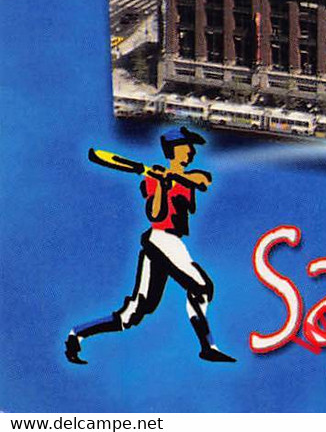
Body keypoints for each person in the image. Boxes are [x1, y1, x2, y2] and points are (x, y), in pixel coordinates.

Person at [66, 127, 235, 364]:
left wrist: (172, 177)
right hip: (161, 240)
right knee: (202, 287)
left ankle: (78, 334)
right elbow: (156, 215)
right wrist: (161, 187)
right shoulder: (153, 181)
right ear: (174, 150)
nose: (192, 152)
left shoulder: (190, 178)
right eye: (187, 147)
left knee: (133, 315)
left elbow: (204, 180)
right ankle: (207, 347)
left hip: (171, 245)